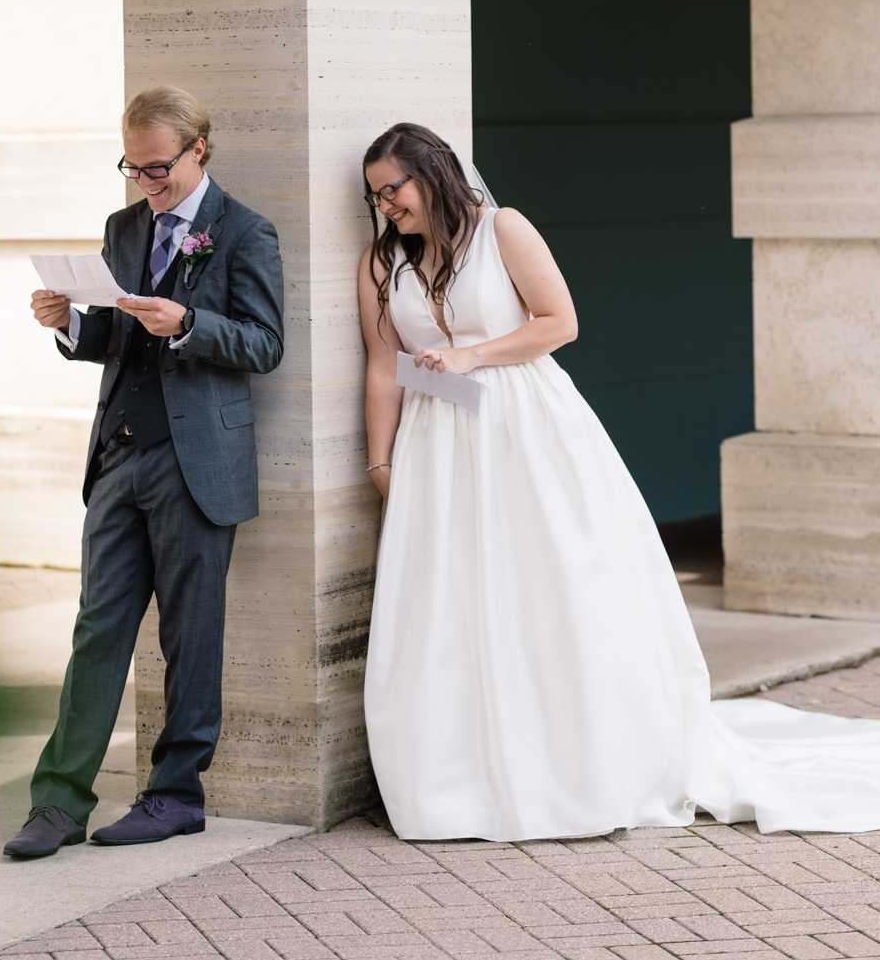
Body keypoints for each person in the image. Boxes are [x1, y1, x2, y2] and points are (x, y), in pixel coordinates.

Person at [359, 121, 880, 842]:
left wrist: (475, 357)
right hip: (438, 448)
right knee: (455, 600)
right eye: (375, 196)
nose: (386, 205)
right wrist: (381, 464)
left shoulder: (501, 229)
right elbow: (384, 366)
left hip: (525, 432)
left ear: (434, 173)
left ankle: (577, 763)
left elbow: (559, 322)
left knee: (551, 587)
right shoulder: (381, 264)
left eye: (395, 188)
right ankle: (465, 771)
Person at [3, 87, 284, 859]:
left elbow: (264, 345)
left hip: (198, 465)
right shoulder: (122, 227)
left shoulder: (245, 231)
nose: (145, 182)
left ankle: (173, 797)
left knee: (191, 637)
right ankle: (57, 803)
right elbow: (114, 339)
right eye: (132, 166)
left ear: (199, 150)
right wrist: (70, 327)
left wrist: (190, 323)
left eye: (157, 166)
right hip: (120, 456)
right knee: (99, 629)